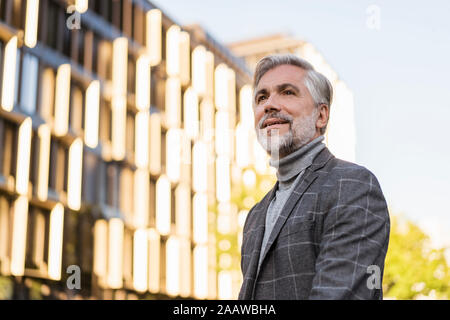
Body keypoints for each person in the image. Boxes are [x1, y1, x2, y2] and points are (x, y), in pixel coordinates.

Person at [238, 54, 390, 300]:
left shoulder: (352, 186)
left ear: (321, 116)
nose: (269, 105)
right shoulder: (255, 215)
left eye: (287, 92)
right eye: (261, 97)